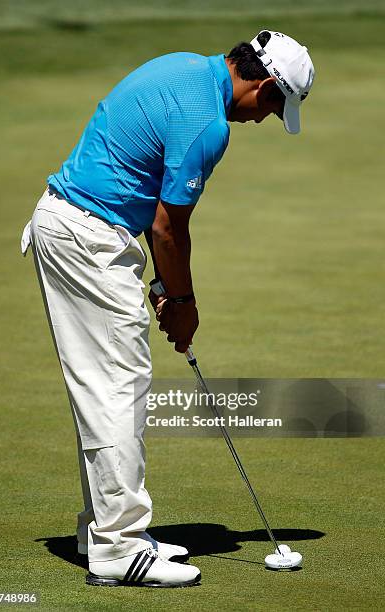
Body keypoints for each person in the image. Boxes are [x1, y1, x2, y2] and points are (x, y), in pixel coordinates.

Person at [21, 29, 314, 588]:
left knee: (107, 384)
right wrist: (182, 303)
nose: (264, 120)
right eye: (275, 107)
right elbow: (167, 226)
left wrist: (161, 282)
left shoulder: (183, 64)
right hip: (88, 236)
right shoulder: (211, 126)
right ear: (268, 83)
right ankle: (119, 547)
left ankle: (103, 531)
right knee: (116, 385)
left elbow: (149, 201)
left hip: (74, 224)